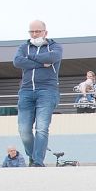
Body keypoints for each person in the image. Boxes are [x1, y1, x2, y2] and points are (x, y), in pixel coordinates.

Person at [14, 20, 62, 167]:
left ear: (45, 32)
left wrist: (29, 59)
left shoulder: (55, 47)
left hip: (47, 91)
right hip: (26, 91)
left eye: (38, 31)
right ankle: (33, 156)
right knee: (24, 130)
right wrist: (41, 64)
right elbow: (17, 61)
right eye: (32, 31)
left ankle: (38, 161)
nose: (34, 34)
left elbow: (51, 58)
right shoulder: (24, 47)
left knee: (41, 128)